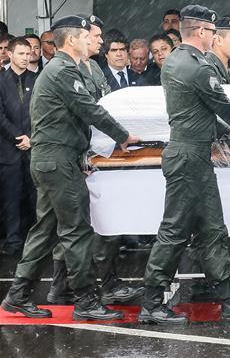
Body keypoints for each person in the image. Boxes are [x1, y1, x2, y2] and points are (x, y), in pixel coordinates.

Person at [0, 16, 140, 320]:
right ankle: (86, 299)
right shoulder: (63, 69)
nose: (96, 40)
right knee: (76, 230)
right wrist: (124, 136)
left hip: (53, 159)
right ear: (73, 39)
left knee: (45, 231)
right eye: (90, 36)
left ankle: (17, 295)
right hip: (57, 161)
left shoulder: (61, 69)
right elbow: (89, 109)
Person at [140, 5, 230, 324]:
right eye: (213, 32)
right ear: (201, 32)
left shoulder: (179, 61)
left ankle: (229, 298)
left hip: (193, 154)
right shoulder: (196, 65)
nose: (215, 36)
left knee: (213, 230)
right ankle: (151, 303)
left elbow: (199, 113)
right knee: (174, 231)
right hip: (188, 157)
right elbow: (223, 104)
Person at [0, 38, 38, 255]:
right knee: (11, 198)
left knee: (35, 198)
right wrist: (18, 137)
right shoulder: (0, 80)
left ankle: (35, 242)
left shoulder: (38, 79)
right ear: (10, 55)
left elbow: (44, 113)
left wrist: (31, 137)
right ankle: (13, 241)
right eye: (21, 53)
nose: (26, 57)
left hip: (33, 147)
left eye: (29, 53)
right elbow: (0, 116)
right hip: (8, 149)